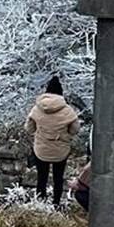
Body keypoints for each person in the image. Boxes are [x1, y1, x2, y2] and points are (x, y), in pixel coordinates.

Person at [26, 75, 81, 209]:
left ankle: (40, 203)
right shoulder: (67, 110)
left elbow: (29, 128)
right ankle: (56, 204)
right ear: (60, 93)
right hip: (60, 150)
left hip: (41, 149)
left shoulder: (37, 109)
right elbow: (75, 130)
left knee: (42, 177)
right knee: (58, 177)